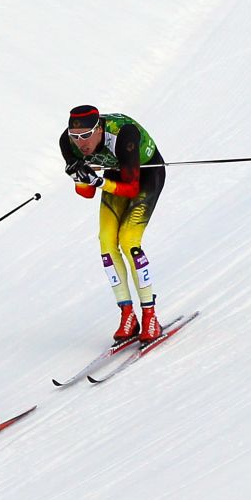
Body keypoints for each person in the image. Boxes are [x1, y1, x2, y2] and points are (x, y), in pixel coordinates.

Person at [59, 104, 166, 345]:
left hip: (145, 174)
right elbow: (86, 194)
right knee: (106, 242)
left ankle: (150, 315)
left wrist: (98, 182)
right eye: (75, 136)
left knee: (129, 240)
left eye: (86, 135)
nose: (80, 143)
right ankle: (127, 314)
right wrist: (81, 178)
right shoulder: (68, 143)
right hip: (115, 176)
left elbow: (132, 188)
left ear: (99, 129)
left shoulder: (123, 134)